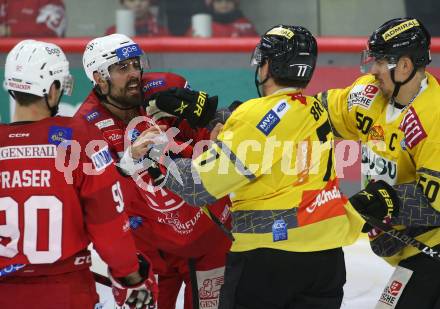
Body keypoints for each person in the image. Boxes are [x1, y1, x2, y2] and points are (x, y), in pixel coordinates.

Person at [135, 24, 364, 309]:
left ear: (268, 64)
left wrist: (155, 156)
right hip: (326, 260)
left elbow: (199, 187)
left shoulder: (254, 115)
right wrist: (210, 114)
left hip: (270, 260)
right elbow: (275, 124)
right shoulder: (314, 109)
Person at [75, 33, 232, 309]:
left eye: (136, 64)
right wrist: (128, 161)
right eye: (123, 68)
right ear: (100, 77)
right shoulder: (86, 125)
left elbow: (215, 133)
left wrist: (203, 112)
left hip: (207, 236)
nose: (135, 73)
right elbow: (96, 196)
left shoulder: (165, 88)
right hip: (151, 250)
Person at [0, 40, 157, 309]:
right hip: (66, 292)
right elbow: (108, 225)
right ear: (53, 88)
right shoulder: (80, 138)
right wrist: (131, 276)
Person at [317, 17, 440, 308]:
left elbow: (437, 201)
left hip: (430, 248)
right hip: (404, 248)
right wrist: (246, 119)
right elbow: (314, 115)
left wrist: (389, 200)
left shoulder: (434, 117)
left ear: (406, 67)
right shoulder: (368, 94)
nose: (373, 70)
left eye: (381, 62)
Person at [0, 0, 66, 37]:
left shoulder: (51, 1)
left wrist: (9, 30)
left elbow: (52, 31)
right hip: (4, 55)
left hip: (39, 56)